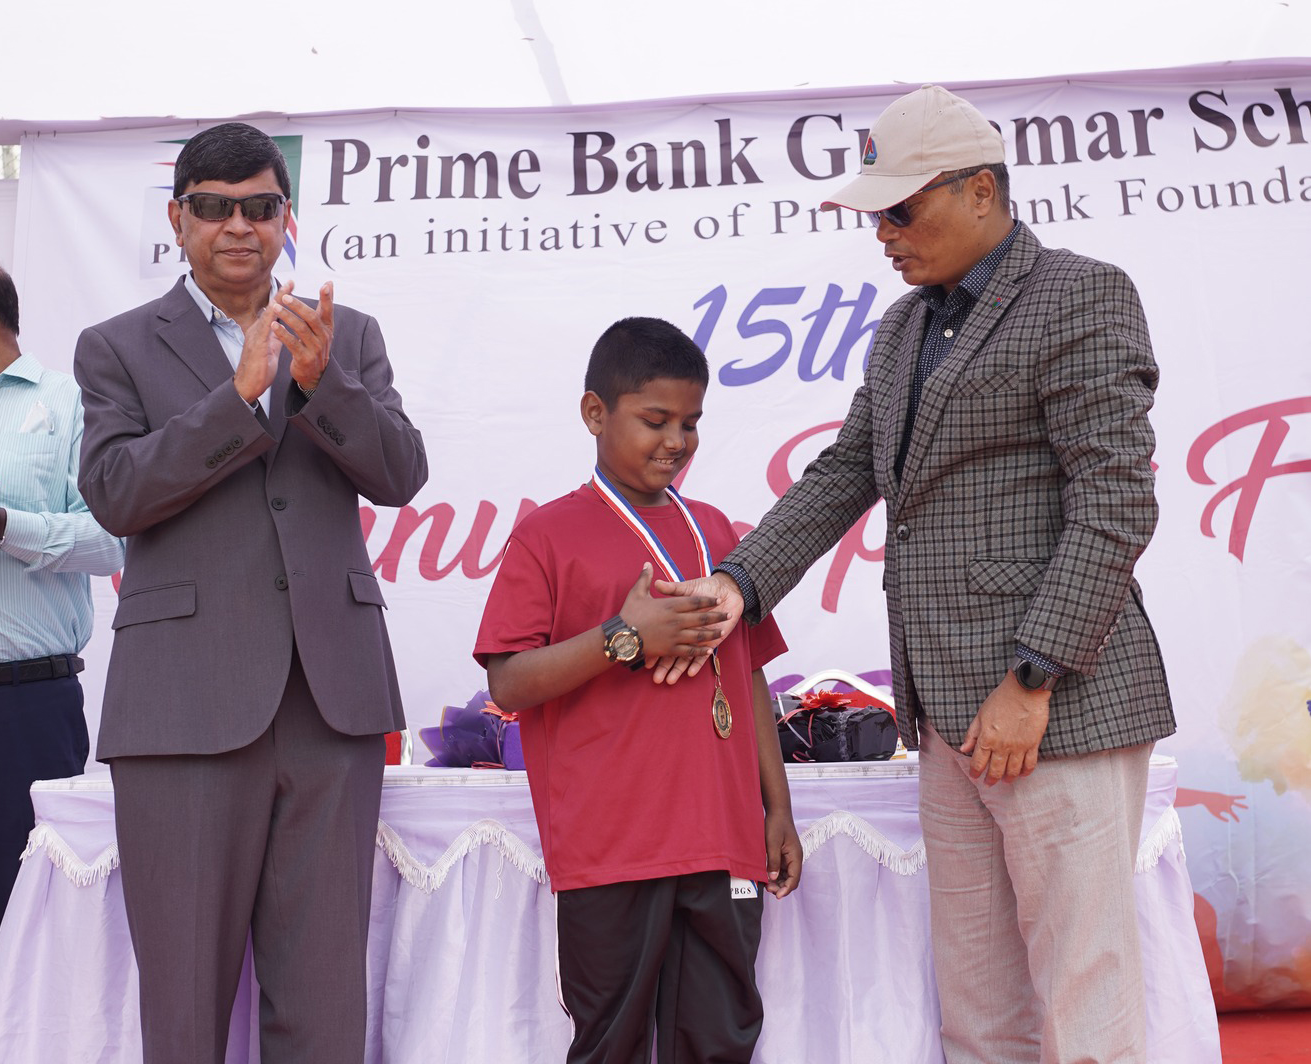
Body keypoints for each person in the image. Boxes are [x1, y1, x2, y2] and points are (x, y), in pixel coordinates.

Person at [659, 85, 1176, 1064]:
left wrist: (1033, 678)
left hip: (1055, 707)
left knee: (1085, 999)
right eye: (875, 214)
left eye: (901, 209)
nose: (883, 234)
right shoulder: (902, 328)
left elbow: (1115, 502)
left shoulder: (1079, 292)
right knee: (977, 1008)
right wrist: (736, 584)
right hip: (944, 713)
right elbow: (846, 469)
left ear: (980, 190)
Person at [74, 122, 427, 1064]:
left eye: (260, 207)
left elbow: (400, 474)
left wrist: (320, 385)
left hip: (330, 701)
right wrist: (236, 398)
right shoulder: (116, 346)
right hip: (181, 705)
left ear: (286, 218)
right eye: (215, 208)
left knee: (323, 1000)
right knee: (184, 1003)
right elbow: (116, 493)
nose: (239, 226)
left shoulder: (345, 336)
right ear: (177, 219)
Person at [474, 316, 802, 1064]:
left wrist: (777, 808)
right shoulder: (548, 536)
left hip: (722, 839)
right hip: (611, 845)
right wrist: (624, 638)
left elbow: (749, 672)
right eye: (655, 420)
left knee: (720, 1041)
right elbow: (509, 681)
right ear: (595, 413)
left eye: (690, 422)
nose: (675, 441)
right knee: (611, 1043)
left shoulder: (718, 533)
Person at [0, 249, 124, 1013]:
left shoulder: (72, 404)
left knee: (29, 931)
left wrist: (4, 525)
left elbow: (113, 540)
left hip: (25, 706)